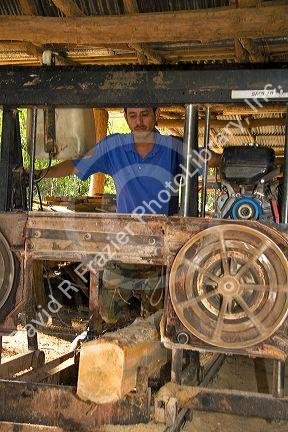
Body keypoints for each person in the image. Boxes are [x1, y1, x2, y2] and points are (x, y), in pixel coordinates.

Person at [36, 107, 183, 323]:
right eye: (132, 116)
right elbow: (77, 165)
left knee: (158, 319)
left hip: (160, 249)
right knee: (108, 313)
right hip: (124, 244)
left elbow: (209, 160)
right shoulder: (114, 147)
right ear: (125, 117)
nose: (139, 121)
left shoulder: (172, 147)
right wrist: (39, 174)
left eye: (145, 114)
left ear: (156, 114)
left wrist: (232, 160)